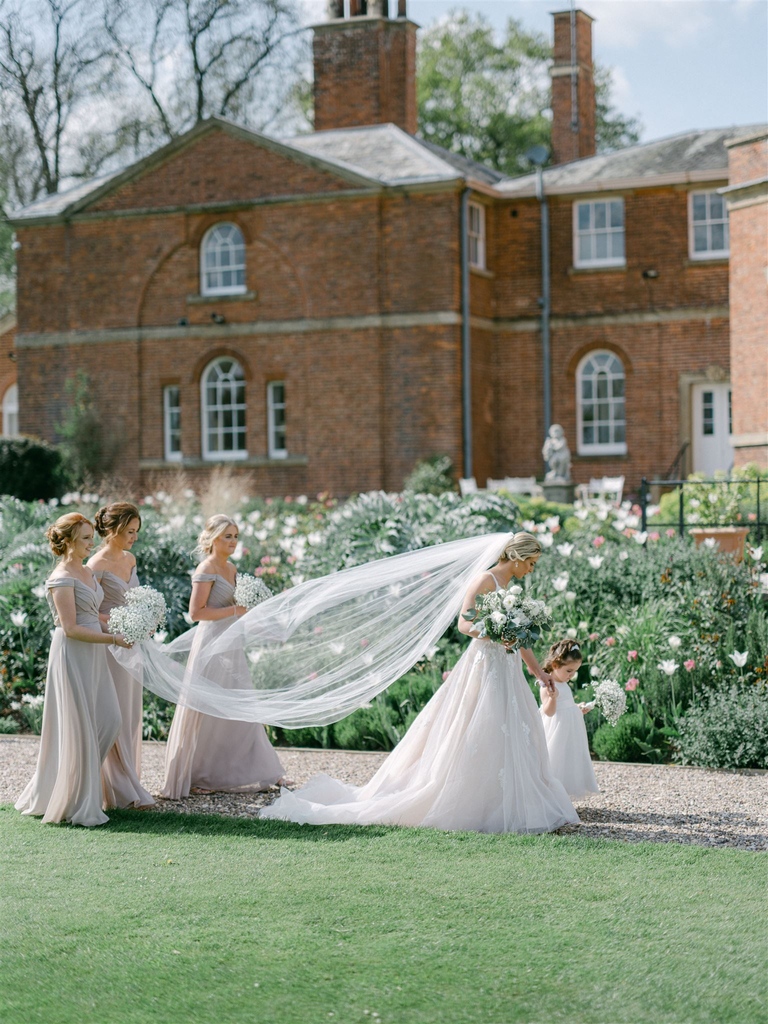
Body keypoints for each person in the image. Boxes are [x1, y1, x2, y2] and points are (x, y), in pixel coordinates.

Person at [260, 532, 579, 833]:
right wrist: (495, 633)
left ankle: (512, 801)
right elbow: (464, 623)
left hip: (507, 669)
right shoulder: (486, 579)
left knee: (514, 729)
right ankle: (474, 802)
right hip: (485, 665)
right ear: (519, 558)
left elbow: (521, 638)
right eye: (532, 562)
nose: (532, 569)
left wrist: (539, 673)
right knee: (481, 726)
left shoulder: (512, 590)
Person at [161, 514, 287, 799]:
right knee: (209, 710)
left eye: (235, 536)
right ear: (212, 538)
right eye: (227, 536)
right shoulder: (206, 568)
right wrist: (236, 611)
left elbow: (239, 608)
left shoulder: (231, 568)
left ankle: (259, 770)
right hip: (211, 646)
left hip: (232, 644)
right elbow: (197, 613)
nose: (232, 541)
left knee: (242, 705)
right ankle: (202, 774)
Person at [15, 513, 129, 826]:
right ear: (67, 541)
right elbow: (71, 628)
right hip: (73, 654)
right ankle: (74, 797)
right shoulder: (61, 577)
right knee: (78, 726)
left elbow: (93, 613)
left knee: (110, 719)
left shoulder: (86, 570)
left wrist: (126, 622)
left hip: (95, 653)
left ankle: (74, 783)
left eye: (92, 537)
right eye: (85, 539)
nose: (92, 543)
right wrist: (113, 639)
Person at [88, 502, 155, 810]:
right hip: (109, 647)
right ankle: (113, 787)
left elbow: (136, 598)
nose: (134, 537)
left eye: (137, 531)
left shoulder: (130, 559)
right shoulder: (95, 565)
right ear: (112, 530)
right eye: (130, 531)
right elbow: (89, 611)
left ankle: (129, 780)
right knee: (112, 714)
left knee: (130, 714)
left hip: (133, 647)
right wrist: (120, 625)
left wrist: (146, 619)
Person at [538, 638, 599, 799]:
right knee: (555, 759)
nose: (571, 675)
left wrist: (577, 708)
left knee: (567, 760)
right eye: (569, 671)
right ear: (556, 665)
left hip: (569, 731)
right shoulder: (548, 685)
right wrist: (553, 697)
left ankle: (562, 794)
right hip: (557, 731)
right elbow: (549, 712)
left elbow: (566, 706)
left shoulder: (563, 683)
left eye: (575, 672)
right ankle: (551, 794)